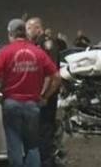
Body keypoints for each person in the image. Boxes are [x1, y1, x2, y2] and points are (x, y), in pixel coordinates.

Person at [0, 19, 61, 167]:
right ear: (24, 33)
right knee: (32, 146)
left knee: (14, 146)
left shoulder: (5, 51)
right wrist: (45, 96)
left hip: (11, 103)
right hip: (33, 104)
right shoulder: (38, 52)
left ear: (11, 33)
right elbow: (57, 77)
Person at [26, 17, 61, 167]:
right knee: (39, 134)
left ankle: (46, 163)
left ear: (37, 28)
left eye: (28, 28)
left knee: (45, 133)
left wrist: (44, 95)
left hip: (46, 97)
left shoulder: (47, 44)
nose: (27, 32)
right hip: (40, 96)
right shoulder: (35, 44)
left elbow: (51, 73)